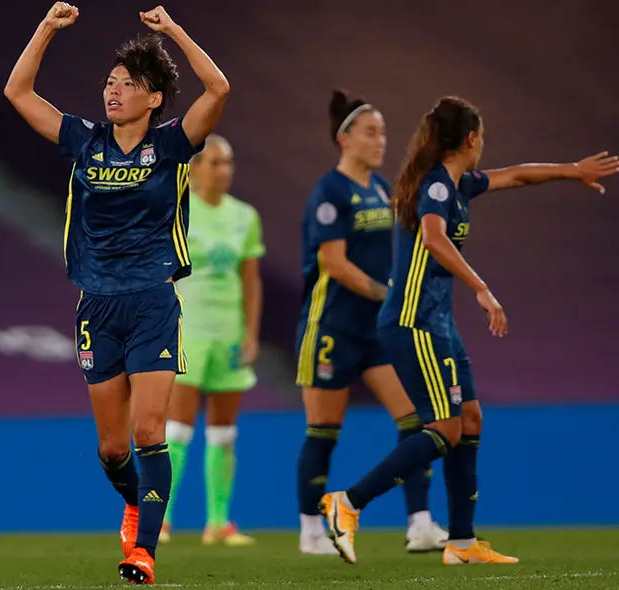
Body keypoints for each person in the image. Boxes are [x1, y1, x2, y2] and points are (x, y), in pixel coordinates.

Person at [320, 96, 619, 565]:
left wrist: (573, 170)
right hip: (412, 321)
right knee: (444, 427)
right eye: (484, 138)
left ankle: (461, 543)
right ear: (472, 138)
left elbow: (517, 175)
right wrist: (481, 287)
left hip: (438, 323)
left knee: (470, 420)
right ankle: (349, 502)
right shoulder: (437, 188)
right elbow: (434, 238)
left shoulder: (458, 183)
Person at [4, 2, 229, 584]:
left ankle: (143, 552)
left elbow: (218, 87)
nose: (114, 91)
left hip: (153, 300)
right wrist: (48, 28)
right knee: (112, 449)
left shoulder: (174, 144)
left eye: (128, 85)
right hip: (96, 305)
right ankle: (133, 502)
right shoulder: (84, 139)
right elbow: (19, 92)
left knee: (151, 430)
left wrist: (174, 30)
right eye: (110, 82)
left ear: (153, 98)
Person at [295, 90, 447, 555]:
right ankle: (310, 531)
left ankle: (419, 523)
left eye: (382, 132)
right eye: (371, 132)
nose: (381, 140)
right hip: (331, 328)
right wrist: (389, 294)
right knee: (323, 431)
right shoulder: (331, 191)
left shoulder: (382, 189)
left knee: (417, 420)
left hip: (377, 332)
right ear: (345, 138)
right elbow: (335, 264)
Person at [159, 135, 263, 547]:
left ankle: (217, 523)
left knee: (223, 432)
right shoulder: (178, 212)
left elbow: (250, 281)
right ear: (195, 169)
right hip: (188, 331)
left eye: (228, 162)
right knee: (177, 429)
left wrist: (251, 332)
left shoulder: (245, 216)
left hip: (229, 333)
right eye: (216, 162)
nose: (224, 170)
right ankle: (161, 521)